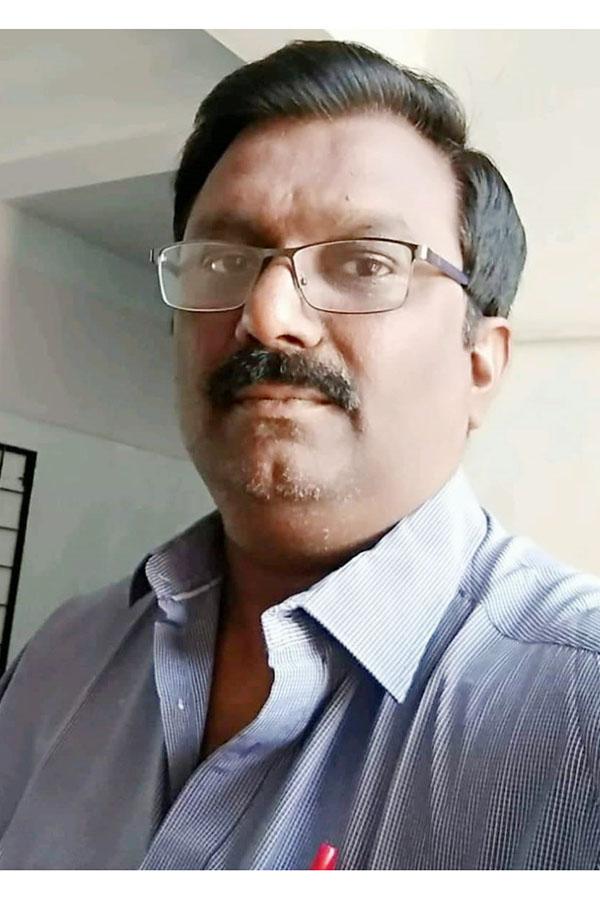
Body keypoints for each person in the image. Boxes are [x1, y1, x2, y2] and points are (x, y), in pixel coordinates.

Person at [0, 38, 599, 871]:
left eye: (365, 262)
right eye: (223, 261)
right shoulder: (63, 659)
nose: (267, 315)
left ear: (480, 363)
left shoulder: (577, 713)